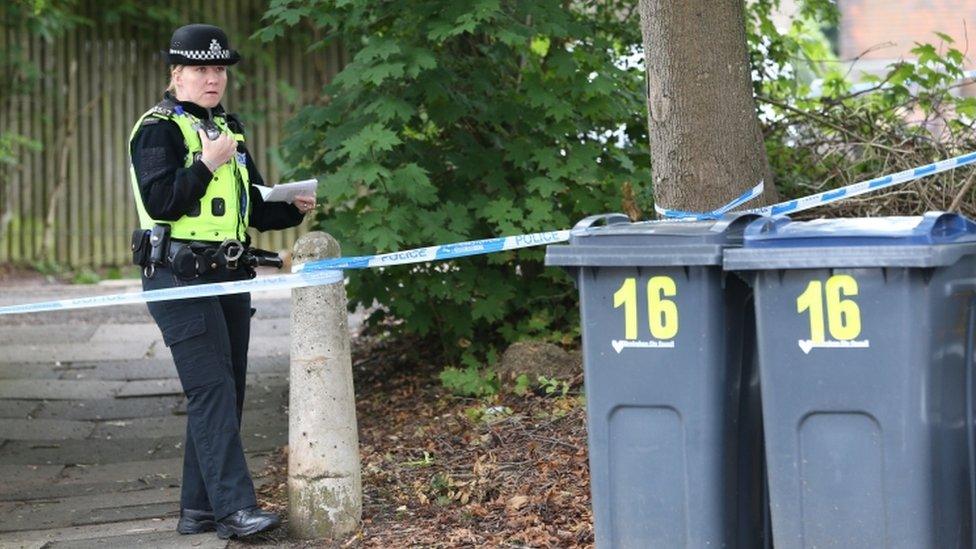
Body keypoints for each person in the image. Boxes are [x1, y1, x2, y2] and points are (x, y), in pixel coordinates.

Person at [128, 24, 316, 539]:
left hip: (229, 275)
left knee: (224, 392)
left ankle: (200, 510)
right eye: (200, 69)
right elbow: (162, 201)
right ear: (177, 74)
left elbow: (251, 205)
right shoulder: (157, 130)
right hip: (177, 277)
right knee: (211, 389)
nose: (212, 79)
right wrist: (208, 165)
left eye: (218, 70)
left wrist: (291, 207)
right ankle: (236, 511)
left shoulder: (227, 129)